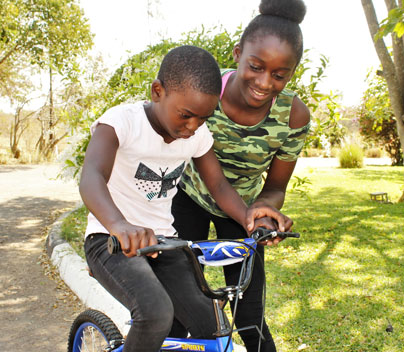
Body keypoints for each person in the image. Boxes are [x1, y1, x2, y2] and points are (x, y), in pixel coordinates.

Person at [79, 45, 293, 352]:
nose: (192, 127)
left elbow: (218, 186)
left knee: (212, 325)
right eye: (186, 115)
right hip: (110, 241)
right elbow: (91, 178)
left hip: (166, 243)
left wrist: (250, 218)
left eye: (203, 118)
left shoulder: (196, 135)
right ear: (157, 91)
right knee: (156, 315)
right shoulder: (121, 122)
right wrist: (119, 224)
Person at [171, 0, 310, 351]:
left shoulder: (292, 117)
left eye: (279, 75)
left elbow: (276, 186)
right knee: (177, 310)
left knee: (250, 319)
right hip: (187, 200)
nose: (265, 83)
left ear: (292, 72)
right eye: (256, 67)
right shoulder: (204, 93)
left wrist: (264, 213)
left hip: (244, 213)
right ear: (237, 54)